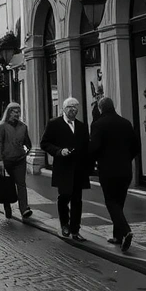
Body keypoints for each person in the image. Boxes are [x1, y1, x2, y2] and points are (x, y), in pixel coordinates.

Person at [90, 96, 141, 252]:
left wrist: (92, 163)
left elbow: (94, 148)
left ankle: (125, 231)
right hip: (125, 170)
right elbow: (136, 146)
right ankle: (117, 236)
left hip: (108, 170)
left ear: (101, 109)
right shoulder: (126, 123)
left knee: (111, 202)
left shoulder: (98, 125)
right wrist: (126, 159)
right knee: (119, 202)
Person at [40, 96, 91, 241]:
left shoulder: (81, 126)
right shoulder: (54, 124)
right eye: (70, 107)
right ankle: (64, 224)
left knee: (77, 200)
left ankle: (75, 229)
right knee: (64, 196)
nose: (73, 109)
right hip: (63, 168)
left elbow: (86, 146)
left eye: (75, 106)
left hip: (79, 169)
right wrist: (58, 151)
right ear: (63, 109)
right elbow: (45, 143)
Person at [0, 102, 33, 221]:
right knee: (7, 185)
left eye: (18, 112)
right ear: (9, 112)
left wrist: (26, 150)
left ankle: (24, 209)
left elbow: (28, 143)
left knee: (21, 184)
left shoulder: (23, 127)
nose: (17, 114)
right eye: (14, 112)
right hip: (6, 161)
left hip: (20, 160)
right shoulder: (2, 127)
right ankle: (7, 206)